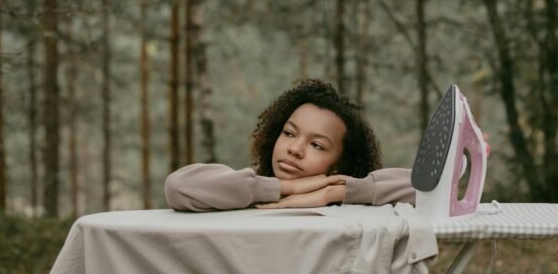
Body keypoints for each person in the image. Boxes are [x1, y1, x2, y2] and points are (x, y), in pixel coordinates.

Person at [165, 78, 415, 211]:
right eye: (288, 133)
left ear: (340, 163)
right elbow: (178, 186)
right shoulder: (246, 195)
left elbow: (425, 188)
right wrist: (285, 188)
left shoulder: (350, 208)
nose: (295, 149)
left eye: (317, 145)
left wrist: (334, 192)